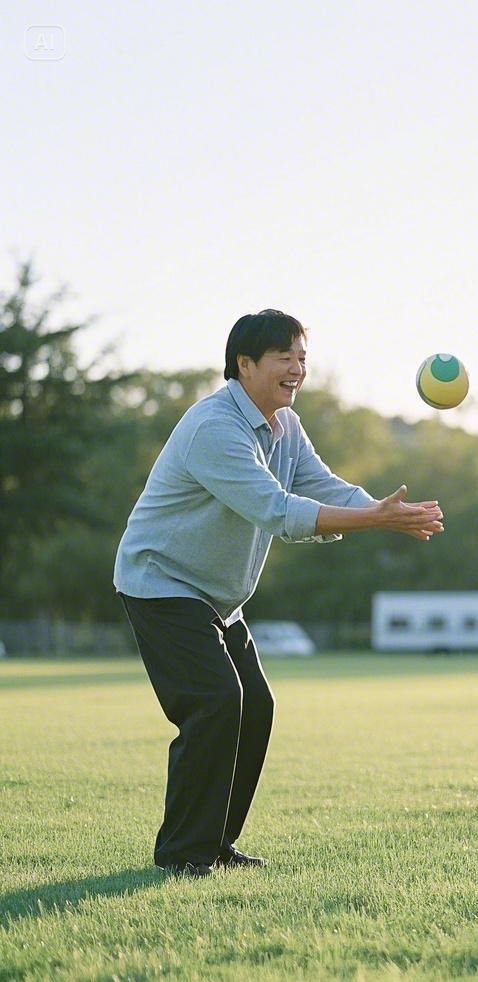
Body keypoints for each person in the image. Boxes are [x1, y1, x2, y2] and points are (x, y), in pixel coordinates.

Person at [114, 309, 444, 877]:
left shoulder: (285, 425)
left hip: (219, 598)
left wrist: (385, 510)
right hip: (161, 582)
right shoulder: (214, 428)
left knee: (255, 707)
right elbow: (278, 512)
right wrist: (376, 521)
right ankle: (182, 854)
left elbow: (321, 485)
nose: (297, 368)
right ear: (244, 365)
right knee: (216, 701)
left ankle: (216, 846)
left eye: (302, 357)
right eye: (284, 357)